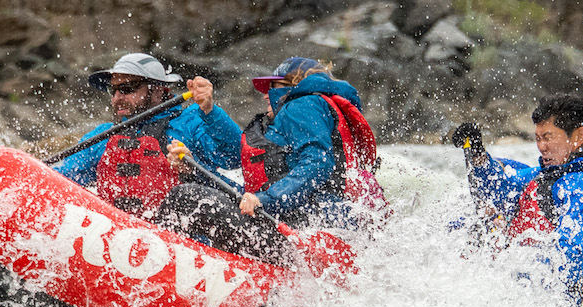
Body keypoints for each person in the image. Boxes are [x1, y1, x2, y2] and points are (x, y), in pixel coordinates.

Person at [451, 94, 583, 307]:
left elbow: (570, 264)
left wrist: (503, 278)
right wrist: (478, 154)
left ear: (578, 136)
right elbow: (497, 191)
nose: (542, 147)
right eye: (538, 138)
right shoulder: (549, 175)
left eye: (548, 137)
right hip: (528, 298)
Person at [54, 52, 242, 217]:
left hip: (181, 239)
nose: (118, 97)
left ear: (158, 89)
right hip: (119, 236)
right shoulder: (103, 135)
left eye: (127, 89)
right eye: (114, 90)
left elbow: (235, 158)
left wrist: (210, 112)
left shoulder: (191, 123)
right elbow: (62, 179)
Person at [236, 57, 385, 227]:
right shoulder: (317, 105)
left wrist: (266, 199)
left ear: (289, 86)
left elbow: (318, 163)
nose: (265, 96)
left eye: (272, 87)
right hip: (337, 216)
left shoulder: (300, 105)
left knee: (202, 199)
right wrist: (210, 113)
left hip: (311, 218)